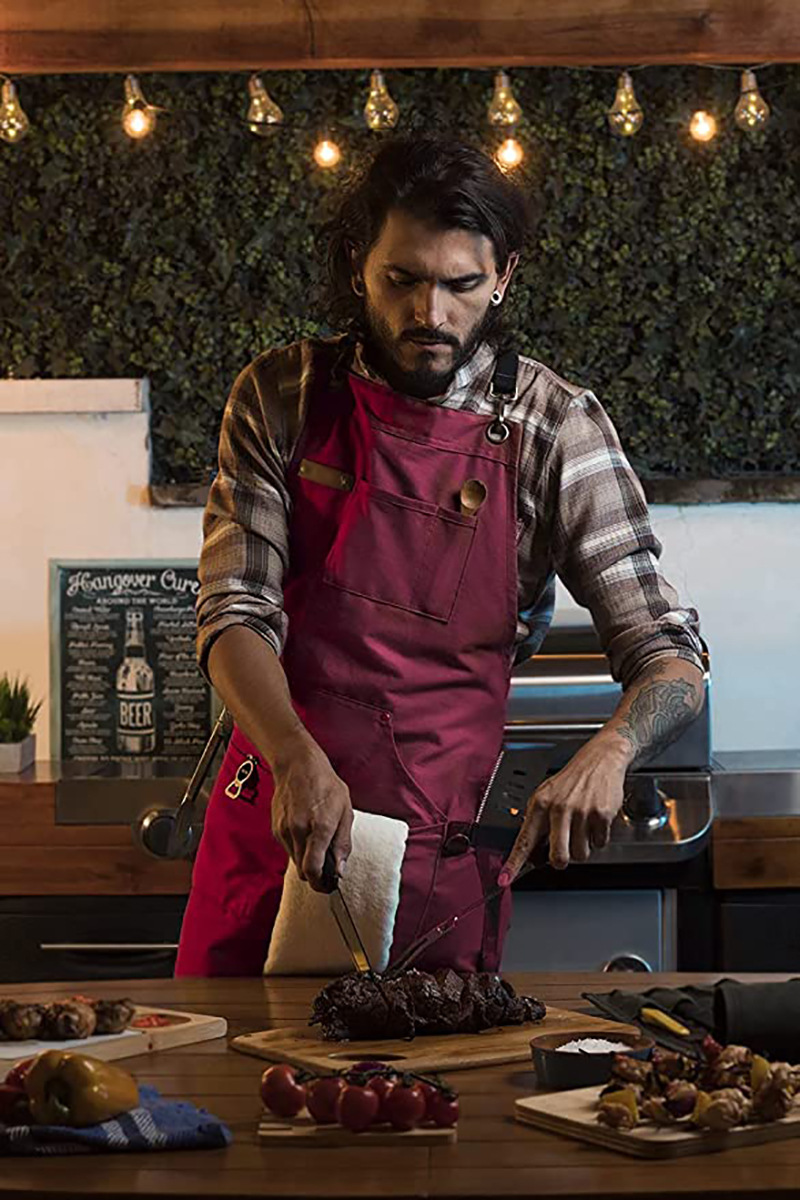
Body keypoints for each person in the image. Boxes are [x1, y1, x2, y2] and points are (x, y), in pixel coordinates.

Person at [175, 136, 704, 978]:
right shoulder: (282, 396)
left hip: (437, 856)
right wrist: (294, 754)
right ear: (359, 266)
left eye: (460, 285)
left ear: (503, 278)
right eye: (403, 279)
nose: (431, 312)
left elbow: (670, 657)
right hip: (276, 812)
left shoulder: (554, 429)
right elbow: (234, 609)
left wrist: (609, 753)